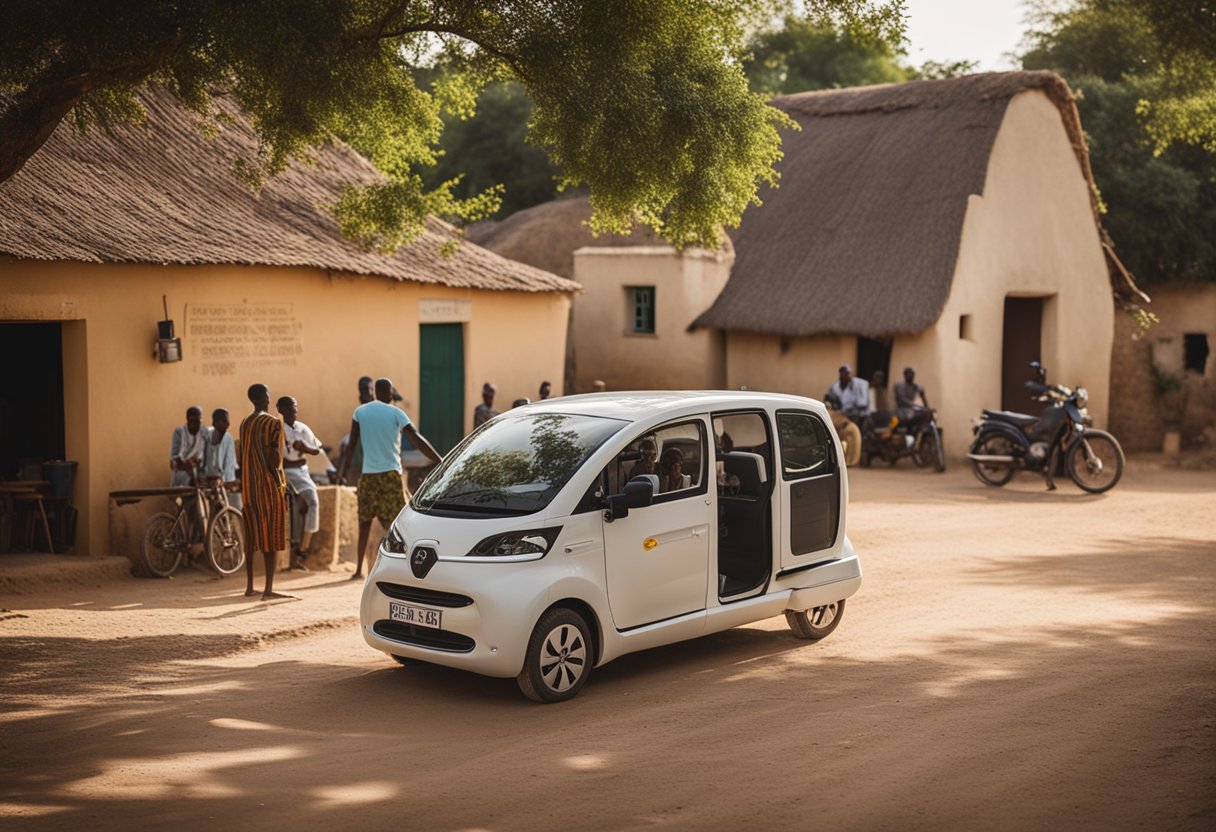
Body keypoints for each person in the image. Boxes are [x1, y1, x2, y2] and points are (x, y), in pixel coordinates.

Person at [341, 377, 443, 580]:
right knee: (397, 523)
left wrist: (340, 471)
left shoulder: (360, 412)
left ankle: (358, 569)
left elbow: (351, 445)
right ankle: (401, 566)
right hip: (390, 475)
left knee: (364, 523)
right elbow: (416, 438)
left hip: (368, 476)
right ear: (388, 392)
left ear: (376, 392)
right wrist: (440, 460)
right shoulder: (396, 412)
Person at [239, 384, 292, 600]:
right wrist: (281, 486)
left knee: (251, 537)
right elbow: (274, 461)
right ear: (266, 398)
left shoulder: (245, 424)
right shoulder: (272, 423)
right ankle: (268, 590)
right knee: (272, 536)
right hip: (268, 488)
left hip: (248, 488)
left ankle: (250, 586)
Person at [277, 395, 321, 569]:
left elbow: (317, 449)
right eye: (289, 408)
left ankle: (303, 549)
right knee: (293, 502)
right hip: (284, 473)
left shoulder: (302, 428)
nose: (293, 411)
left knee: (312, 501)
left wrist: (305, 449)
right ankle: (292, 548)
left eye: (295, 408)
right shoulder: (277, 428)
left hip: (302, 473)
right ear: (280, 409)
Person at [334, 376, 374, 486]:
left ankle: (340, 475)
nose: (366, 392)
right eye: (363, 390)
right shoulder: (361, 407)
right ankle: (339, 477)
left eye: (369, 389)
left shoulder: (375, 406)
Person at [202, 408, 240, 510]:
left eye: (227, 420)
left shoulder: (228, 439)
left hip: (220, 483)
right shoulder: (206, 436)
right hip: (205, 481)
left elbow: (230, 463)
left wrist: (228, 481)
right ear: (215, 422)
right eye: (224, 421)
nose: (227, 423)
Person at [169, 406, 207, 486]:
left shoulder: (204, 432)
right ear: (187, 419)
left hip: (200, 473)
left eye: (198, 421)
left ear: (201, 420)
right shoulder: (179, 432)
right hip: (183, 475)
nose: (195, 424)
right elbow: (173, 461)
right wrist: (186, 463)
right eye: (192, 420)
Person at [824, 391, 862, 467]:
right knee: (849, 458)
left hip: (849, 429)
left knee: (852, 459)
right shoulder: (831, 413)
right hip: (848, 428)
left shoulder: (831, 414)